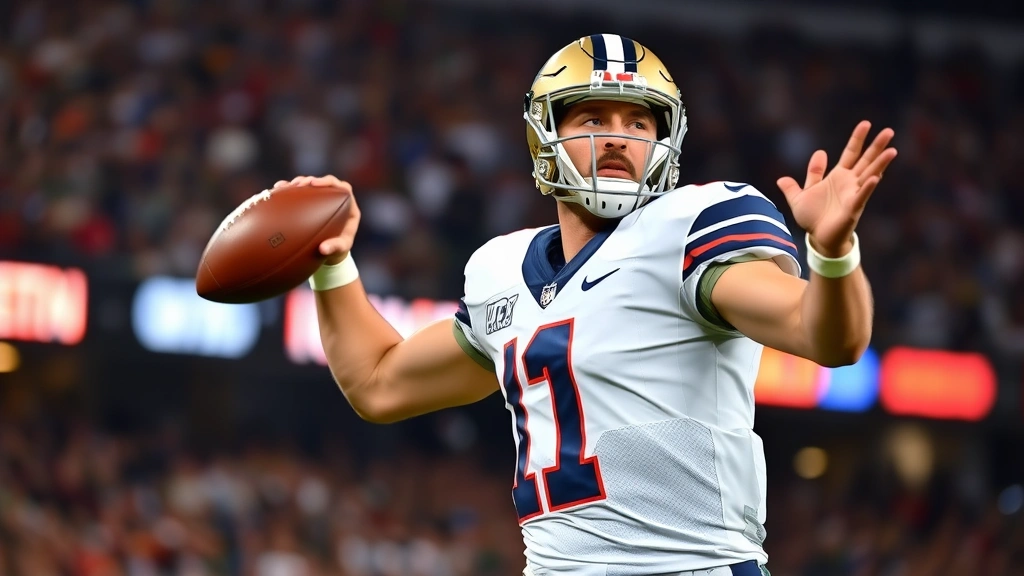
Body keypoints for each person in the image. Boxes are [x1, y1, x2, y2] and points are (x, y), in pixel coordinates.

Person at [275, 34, 895, 576]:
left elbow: (825, 336)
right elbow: (380, 384)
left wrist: (834, 253)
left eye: (639, 123)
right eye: (593, 118)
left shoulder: (690, 227)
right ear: (546, 135)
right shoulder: (500, 272)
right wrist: (332, 265)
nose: (619, 138)